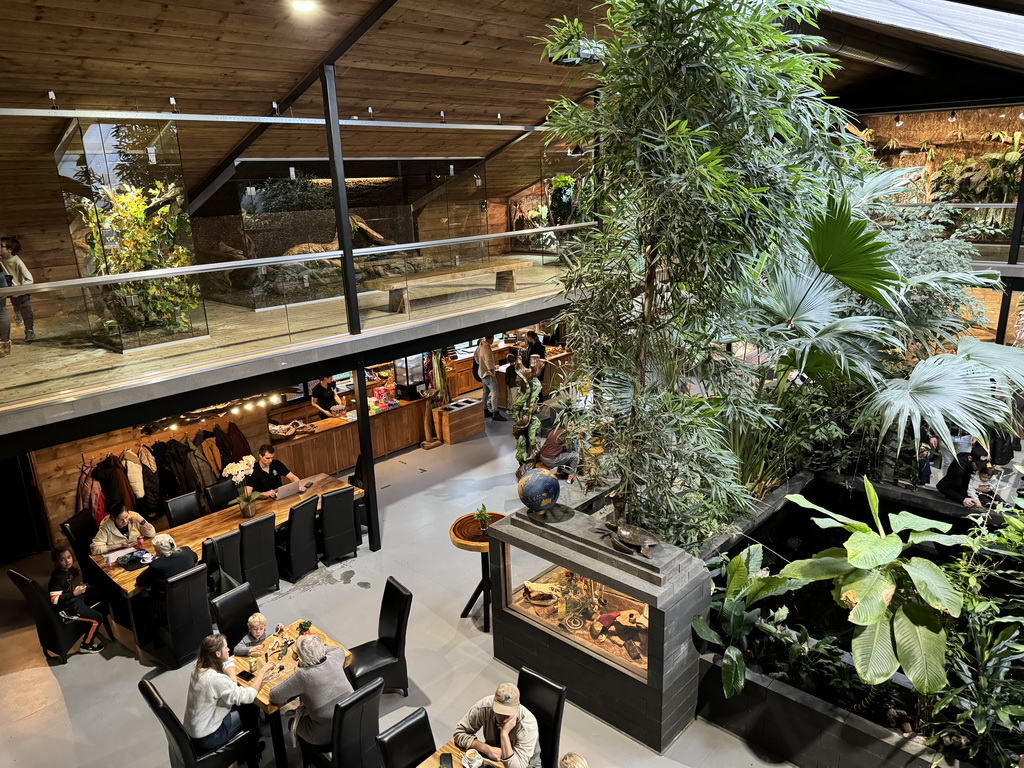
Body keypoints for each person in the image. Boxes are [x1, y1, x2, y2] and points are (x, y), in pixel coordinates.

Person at [184, 633, 273, 753]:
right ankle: (252, 749)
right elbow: (248, 696)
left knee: (242, 705)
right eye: (225, 648)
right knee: (251, 709)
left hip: (196, 729)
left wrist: (232, 679)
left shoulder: (198, 665)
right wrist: (262, 671)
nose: (229, 649)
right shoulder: (215, 679)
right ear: (217, 654)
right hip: (209, 736)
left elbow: (227, 660)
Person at [269, 634, 354, 748]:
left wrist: (301, 666)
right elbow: (337, 649)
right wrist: (317, 651)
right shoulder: (336, 657)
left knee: (291, 723)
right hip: (350, 720)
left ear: (300, 656)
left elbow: (274, 696)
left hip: (324, 734)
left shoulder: (303, 675)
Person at [453, 682, 541, 768]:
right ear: (493, 704)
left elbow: (518, 766)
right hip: (494, 758)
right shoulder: (485, 707)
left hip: (526, 764)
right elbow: (459, 733)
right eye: (500, 712)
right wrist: (486, 749)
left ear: (517, 707)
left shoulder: (528, 725)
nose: (504, 718)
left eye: (508, 714)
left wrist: (504, 734)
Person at [47, 546, 105, 654]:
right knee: (98, 618)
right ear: (55, 562)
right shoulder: (57, 578)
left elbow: (69, 582)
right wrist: (73, 593)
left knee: (97, 590)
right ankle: (87, 644)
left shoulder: (67, 570)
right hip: (67, 609)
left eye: (69, 557)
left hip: (74, 600)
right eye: (62, 559)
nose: (67, 561)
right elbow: (54, 600)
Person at [0, 236, 34, 343]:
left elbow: (29, 279)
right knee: (16, 304)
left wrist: (20, 289)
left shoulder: (17, 261)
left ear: (10, 250)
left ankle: (29, 330)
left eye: (1, 246)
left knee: (26, 308)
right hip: (9, 289)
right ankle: (17, 310)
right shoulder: (1, 260)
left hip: (21, 289)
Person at [89, 504, 156, 555]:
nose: (125, 521)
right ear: (113, 518)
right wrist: (120, 546)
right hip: (119, 556)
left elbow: (152, 534)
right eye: (121, 519)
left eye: (126, 517)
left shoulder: (134, 516)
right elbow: (95, 549)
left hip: (139, 551)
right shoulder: (106, 527)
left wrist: (142, 522)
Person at [475, 335, 506, 422]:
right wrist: (491, 370)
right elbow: (488, 359)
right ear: (490, 339)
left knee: (486, 392)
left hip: (482, 372)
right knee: (495, 393)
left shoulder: (480, 345)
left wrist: (481, 364)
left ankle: (484, 409)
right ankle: (495, 412)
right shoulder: (486, 347)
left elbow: (476, 356)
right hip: (488, 374)